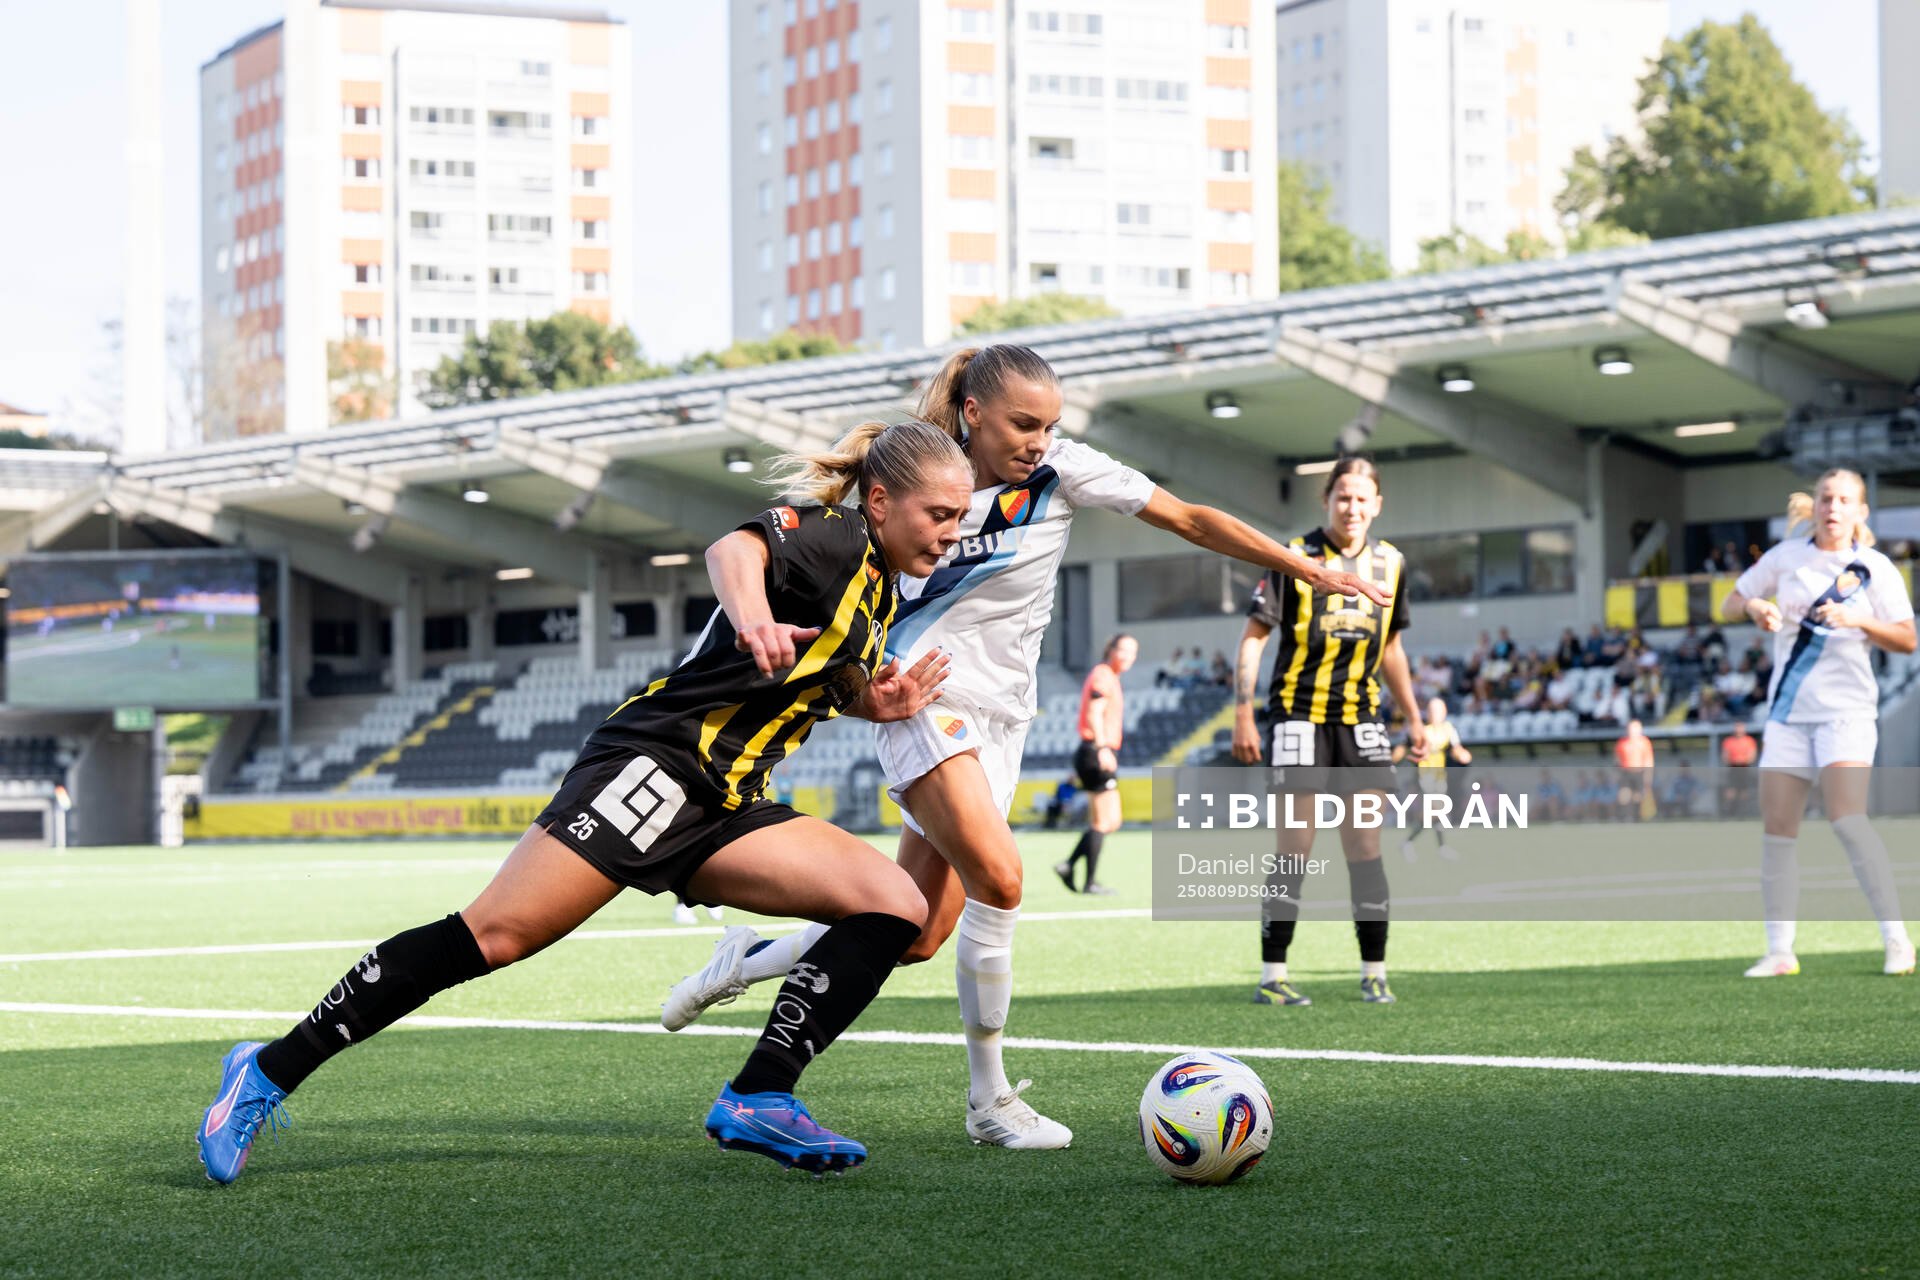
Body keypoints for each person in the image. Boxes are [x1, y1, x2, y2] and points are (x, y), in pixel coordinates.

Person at [195, 420, 973, 1184]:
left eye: (959, 517)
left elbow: (812, 680)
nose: (950, 532)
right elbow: (734, 550)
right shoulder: (837, 535)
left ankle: (760, 1094)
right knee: (493, 936)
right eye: (938, 513)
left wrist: (875, 702)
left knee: (893, 905)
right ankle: (266, 1070)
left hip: (729, 801)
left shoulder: (880, 590)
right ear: (879, 501)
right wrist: (752, 616)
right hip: (655, 769)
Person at [662, 342, 1389, 1149]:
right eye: (1023, 424)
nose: (1039, 441)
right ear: (972, 413)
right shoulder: (921, 480)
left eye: (1049, 425)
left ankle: (748, 956)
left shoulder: (1062, 471)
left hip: (1005, 720)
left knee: (917, 932)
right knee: (1003, 880)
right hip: (924, 700)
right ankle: (990, 1101)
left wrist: (1303, 568)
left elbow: (1187, 518)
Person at [1232, 456, 1426, 1008]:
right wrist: (1243, 711)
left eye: (1362, 498)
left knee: (1365, 846)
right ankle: (1273, 974)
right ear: (1326, 500)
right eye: (1343, 496)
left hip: (1362, 720)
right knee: (1295, 847)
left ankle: (1374, 972)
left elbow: (1392, 648)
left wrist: (1413, 716)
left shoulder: (1392, 563)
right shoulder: (1294, 556)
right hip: (1298, 717)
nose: (1352, 507)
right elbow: (1254, 636)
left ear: (1377, 504)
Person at [1718, 469, 1917, 978]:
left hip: (1846, 713)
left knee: (1847, 820)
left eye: (1844, 500)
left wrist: (1859, 620)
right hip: (1788, 713)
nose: (1833, 507)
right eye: (1827, 498)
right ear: (1816, 504)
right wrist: (1755, 606)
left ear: (1860, 511)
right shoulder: (1785, 557)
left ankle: (1897, 939)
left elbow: (1907, 638)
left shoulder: (1875, 568)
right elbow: (1729, 602)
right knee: (1777, 832)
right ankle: (1780, 952)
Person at [1056, 633, 1137, 895]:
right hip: (1095, 750)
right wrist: (1102, 748)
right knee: (1104, 821)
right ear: (1110, 649)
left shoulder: (1109, 676)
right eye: (1124, 650)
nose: (1129, 657)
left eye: (1133, 652)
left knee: (1110, 821)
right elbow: (1094, 713)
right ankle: (1088, 881)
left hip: (1094, 750)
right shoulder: (1103, 674)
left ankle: (1070, 865)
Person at [1393, 696, 1471, 862]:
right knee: (1438, 810)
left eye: (1438, 710)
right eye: (1431, 710)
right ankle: (1436, 846)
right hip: (1424, 776)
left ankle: (1412, 843)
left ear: (1444, 712)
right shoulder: (1421, 729)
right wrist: (1391, 762)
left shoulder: (1448, 729)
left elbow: (1455, 749)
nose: (1434, 714)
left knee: (1434, 813)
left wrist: (1462, 755)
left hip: (1439, 776)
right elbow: (1403, 747)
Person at [1614, 718, 1656, 821]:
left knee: (1638, 796)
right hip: (1626, 773)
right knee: (1624, 795)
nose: (1632, 731)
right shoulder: (1622, 742)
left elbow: (1648, 761)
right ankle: (1624, 817)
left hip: (1639, 773)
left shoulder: (1644, 742)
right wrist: (1617, 774)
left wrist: (1648, 777)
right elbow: (1617, 760)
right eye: (1630, 728)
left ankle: (1637, 817)